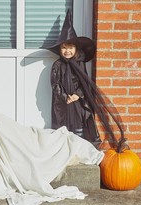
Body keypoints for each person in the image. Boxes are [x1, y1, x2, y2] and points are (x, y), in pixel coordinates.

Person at [47, 9, 102, 149]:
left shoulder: (80, 64)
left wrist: (77, 95)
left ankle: (79, 149)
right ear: (60, 49)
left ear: (76, 49)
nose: (67, 51)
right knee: (64, 127)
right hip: (63, 102)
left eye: (70, 47)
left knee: (79, 125)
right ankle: (64, 149)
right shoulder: (57, 65)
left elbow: (85, 83)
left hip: (78, 102)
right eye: (64, 47)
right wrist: (65, 96)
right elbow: (55, 84)